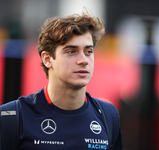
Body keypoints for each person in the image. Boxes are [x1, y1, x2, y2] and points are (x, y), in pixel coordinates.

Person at [1, 10, 122, 150]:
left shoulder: (109, 115)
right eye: (71, 51)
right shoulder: (11, 118)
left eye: (88, 51)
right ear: (47, 59)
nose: (83, 60)